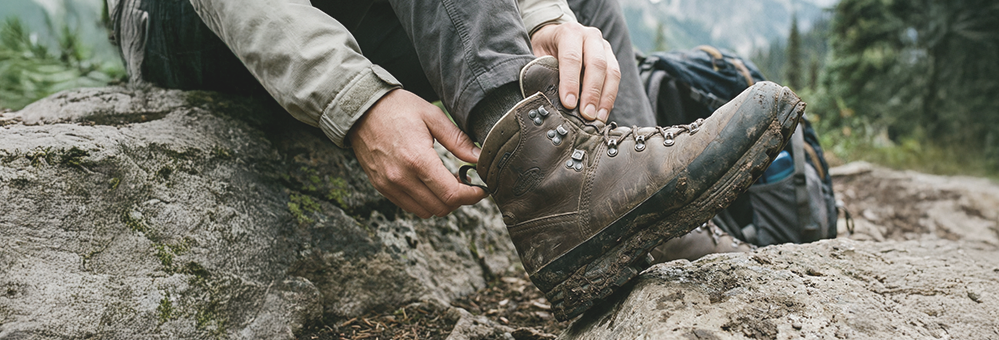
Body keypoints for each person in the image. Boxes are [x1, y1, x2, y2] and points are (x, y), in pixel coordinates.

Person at [110, 0, 803, 320]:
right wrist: (352, 97)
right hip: (182, 21)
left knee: (579, 4)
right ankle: (556, 185)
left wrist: (545, 17)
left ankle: (649, 224)